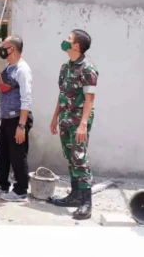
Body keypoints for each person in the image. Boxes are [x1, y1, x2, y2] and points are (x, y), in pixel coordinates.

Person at [48, 29, 98, 221]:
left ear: (76, 45)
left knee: (80, 158)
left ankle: (87, 203)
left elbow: (90, 99)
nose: (65, 41)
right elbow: (62, 95)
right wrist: (55, 117)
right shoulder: (65, 67)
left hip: (79, 120)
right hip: (65, 118)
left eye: (69, 39)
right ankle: (75, 196)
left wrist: (83, 125)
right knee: (70, 156)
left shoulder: (88, 69)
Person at [0, 35, 33, 202]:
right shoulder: (9, 67)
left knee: (18, 156)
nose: (2, 48)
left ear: (12, 49)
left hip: (17, 120)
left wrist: (21, 126)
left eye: (4, 45)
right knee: (1, 155)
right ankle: (2, 185)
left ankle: (20, 190)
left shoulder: (22, 70)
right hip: (6, 119)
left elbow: (26, 99)